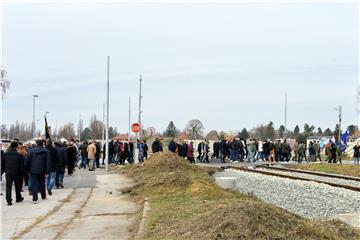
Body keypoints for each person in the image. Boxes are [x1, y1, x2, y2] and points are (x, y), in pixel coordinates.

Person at [25, 139, 51, 204]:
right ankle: (43, 196)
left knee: (34, 184)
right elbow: (48, 162)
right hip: (42, 170)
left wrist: (27, 170)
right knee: (42, 183)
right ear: (43, 144)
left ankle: (35, 199)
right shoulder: (46, 151)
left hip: (33, 170)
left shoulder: (31, 151)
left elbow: (27, 161)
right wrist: (47, 171)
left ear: (36, 144)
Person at [4, 141, 25, 206]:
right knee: (17, 186)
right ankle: (18, 198)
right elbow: (21, 166)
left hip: (8, 172)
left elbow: (2, 164)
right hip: (17, 173)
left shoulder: (5, 154)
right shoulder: (19, 155)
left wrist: (3, 171)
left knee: (8, 186)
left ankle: (8, 200)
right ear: (16, 147)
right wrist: (22, 174)